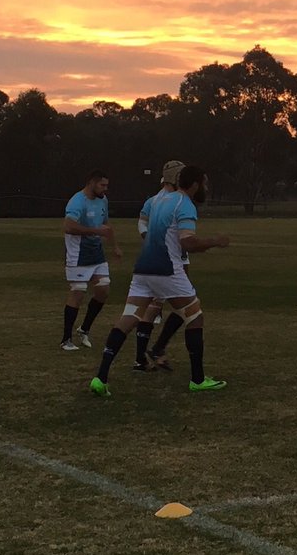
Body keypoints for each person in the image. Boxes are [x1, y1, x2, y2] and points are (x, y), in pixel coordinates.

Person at [89, 165, 230, 397]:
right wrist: (216, 241)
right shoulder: (184, 204)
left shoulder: (157, 200)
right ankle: (197, 379)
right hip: (167, 270)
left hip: (142, 270)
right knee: (195, 317)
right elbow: (188, 243)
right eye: (203, 183)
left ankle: (100, 377)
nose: (205, 188)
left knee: (127, 319)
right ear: (194, 184)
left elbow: (147, 227)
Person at [133, 160, 188, 372]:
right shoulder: (156, 200)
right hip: (163, 257)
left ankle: (152, 351)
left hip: (179, 254)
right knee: (164, 305)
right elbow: (142, 222)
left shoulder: (179, 198)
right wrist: (150, 239)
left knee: (177, 304)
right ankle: (147, 354)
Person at [61, 170, 122, 351]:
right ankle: (66, 339)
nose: (105, 189)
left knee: (103, 290)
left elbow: (106, 226)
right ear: (92, 183)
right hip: (78, 254)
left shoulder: (102, 200)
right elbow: (69, 226)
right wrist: (96, 232)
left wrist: (115, 247)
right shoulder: (77, 201)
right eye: (102, 185)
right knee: (78, 293)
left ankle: (84, 329)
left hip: (97, 254)